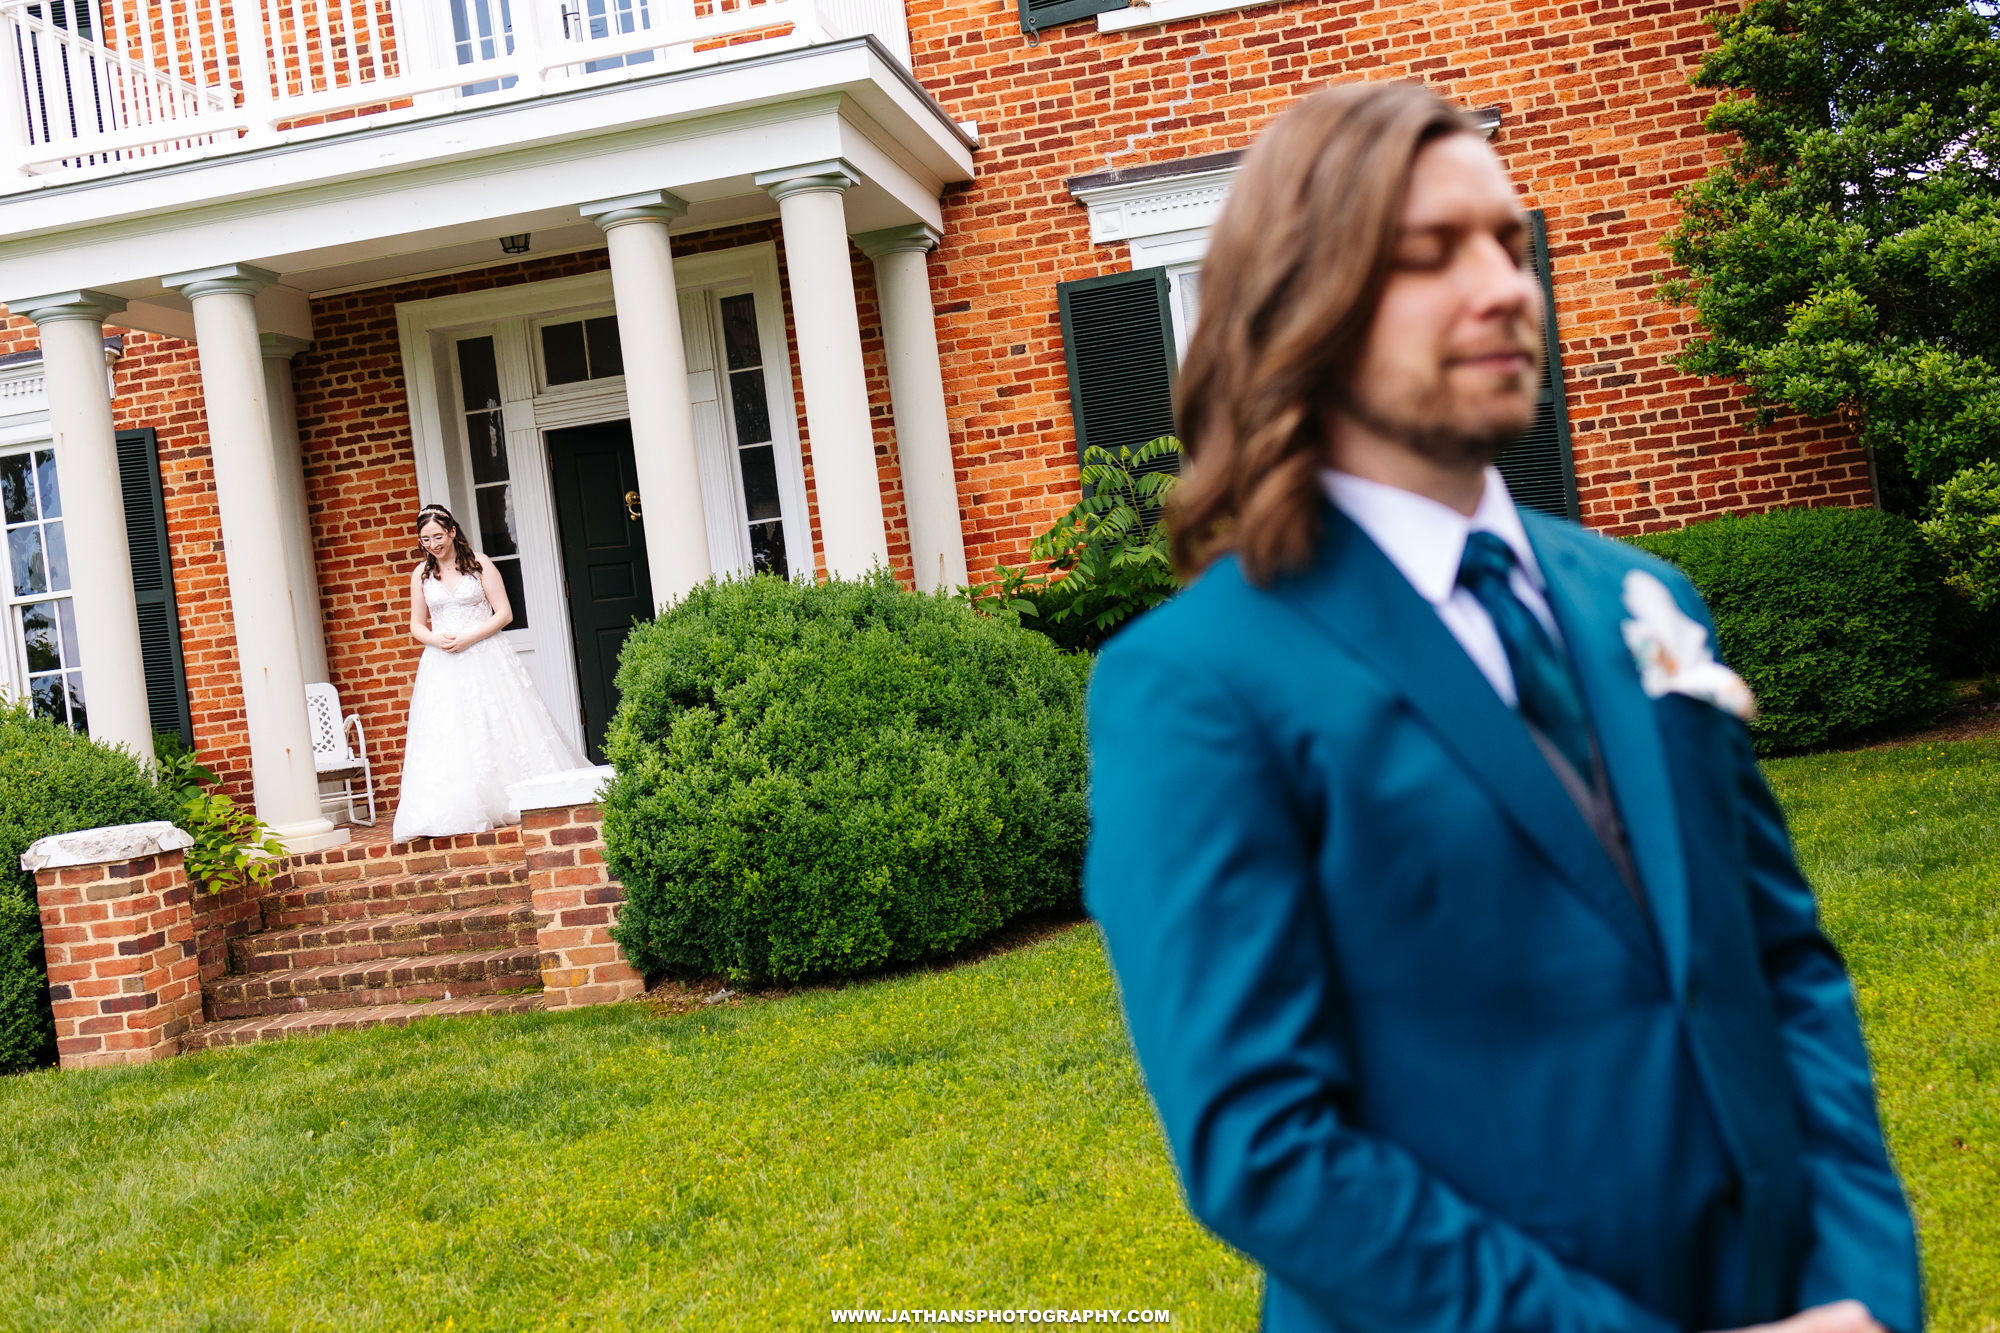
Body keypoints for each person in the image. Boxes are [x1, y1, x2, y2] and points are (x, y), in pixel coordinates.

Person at [1083, 83, 1922, 1333]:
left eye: (1504, 242)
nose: (1500, 287)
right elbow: (1264, 1145)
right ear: (1300, 306)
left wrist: (1859, 1287)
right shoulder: (1193, 683)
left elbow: (1783, 967)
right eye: (1428, 253)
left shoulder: (1641, 593)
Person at [391, 503, 586, 842]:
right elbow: (415, 624)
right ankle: (464, 805)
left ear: (452, 531)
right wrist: (436, 638)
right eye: (426, 540)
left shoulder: (480, 564)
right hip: (443, 663)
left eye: (438, 536)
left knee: (496, 723)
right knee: (452, 731)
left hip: (485, 654)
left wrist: (470, 636)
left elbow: (504, 613)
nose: (434, 544)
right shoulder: (421, 575)